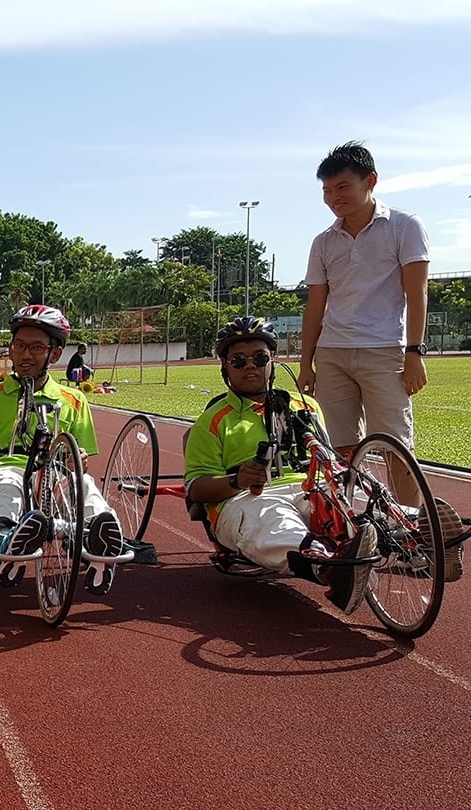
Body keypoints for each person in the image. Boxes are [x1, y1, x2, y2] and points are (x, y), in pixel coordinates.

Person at [188, 317, 382, 610]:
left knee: (366, 507)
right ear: (225, 367)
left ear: (273, 362)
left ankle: (424, 532)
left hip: (310, 489)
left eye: (260, 358)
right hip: (249, 499)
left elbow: (326, 456)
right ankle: (331, 568)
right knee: (274, 518)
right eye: (238, 360)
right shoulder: (212, 421)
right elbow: (196, 490)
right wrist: (236, 480)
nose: (250, 366)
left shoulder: (306, 406)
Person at [0, 305, 127, 594]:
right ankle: (6, 538)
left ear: (54, 354)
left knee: (80, 484)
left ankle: (100, 540)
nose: (24, 354)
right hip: (4, 468)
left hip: (54, 472)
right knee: (8, 486)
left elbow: (80, 461)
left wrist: (76, 460)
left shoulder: (74, 400)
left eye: (36, 347)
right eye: (18, 345)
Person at [298, 141, 431, 464]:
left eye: (342, 187)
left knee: (395, 446)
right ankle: (348, 514)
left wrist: (414, 352)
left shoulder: (404, 227)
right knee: (337, 449)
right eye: (327, 191)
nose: (333, 198)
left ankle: (409, 514)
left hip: (384, 351)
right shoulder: (323, 241)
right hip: (332, 355)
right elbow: (315, 307)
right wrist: (306, 363)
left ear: (370, 181)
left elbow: (417, 294)